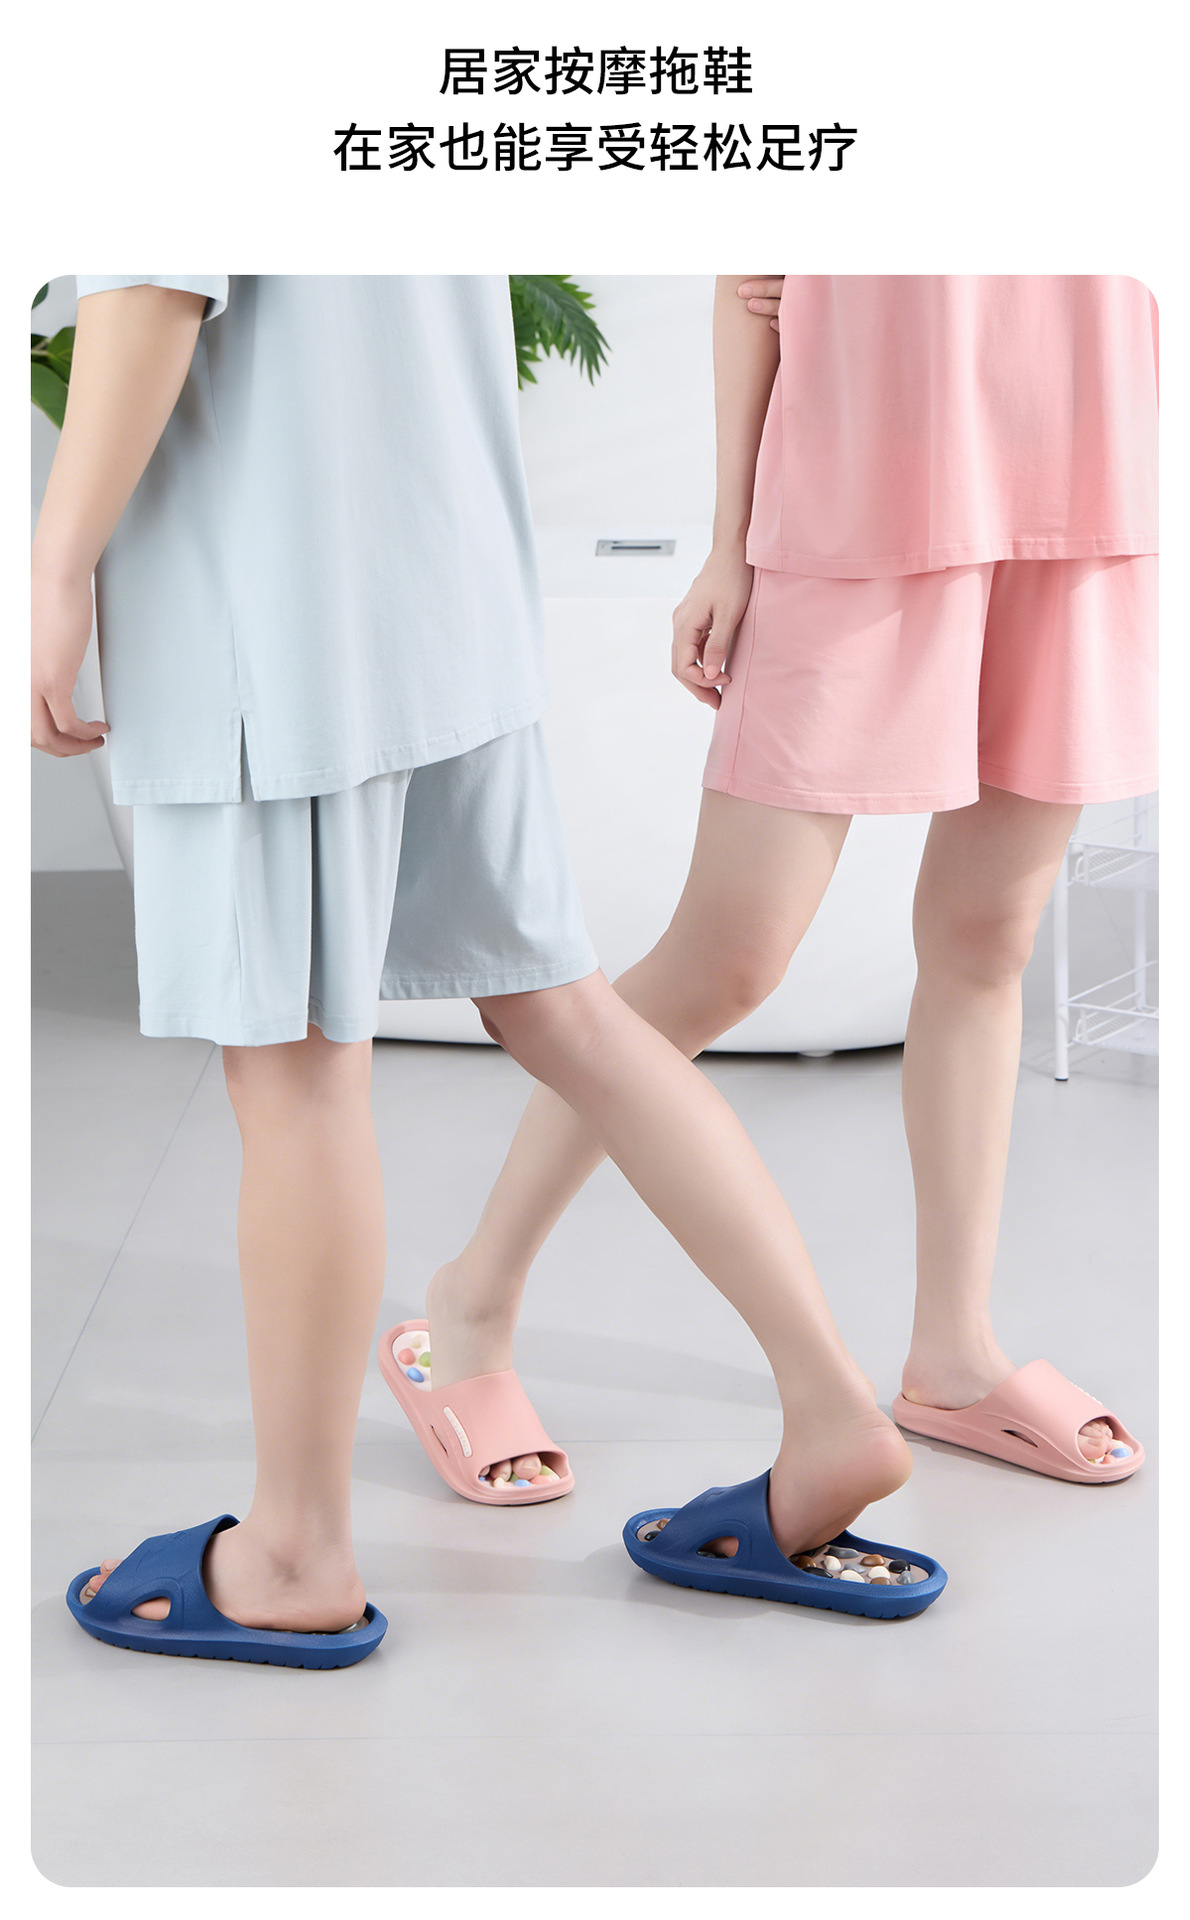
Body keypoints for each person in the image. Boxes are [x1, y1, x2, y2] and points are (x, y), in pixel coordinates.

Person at [33, 276, 938, 1666]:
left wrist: (56, 564)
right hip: (447, 581)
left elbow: (154, 288)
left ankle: (292, 1551)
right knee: (565, 1012)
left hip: (273, 601)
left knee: (291, 1071)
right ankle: (830, 1410)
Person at [420, 274, 1153, 1497]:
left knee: (987, 939)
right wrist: (728, 545)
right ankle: (472, 1296)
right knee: (724, 960)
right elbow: (752, 292)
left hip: (1073, 502)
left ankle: (952, 1353)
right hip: (853, 506)